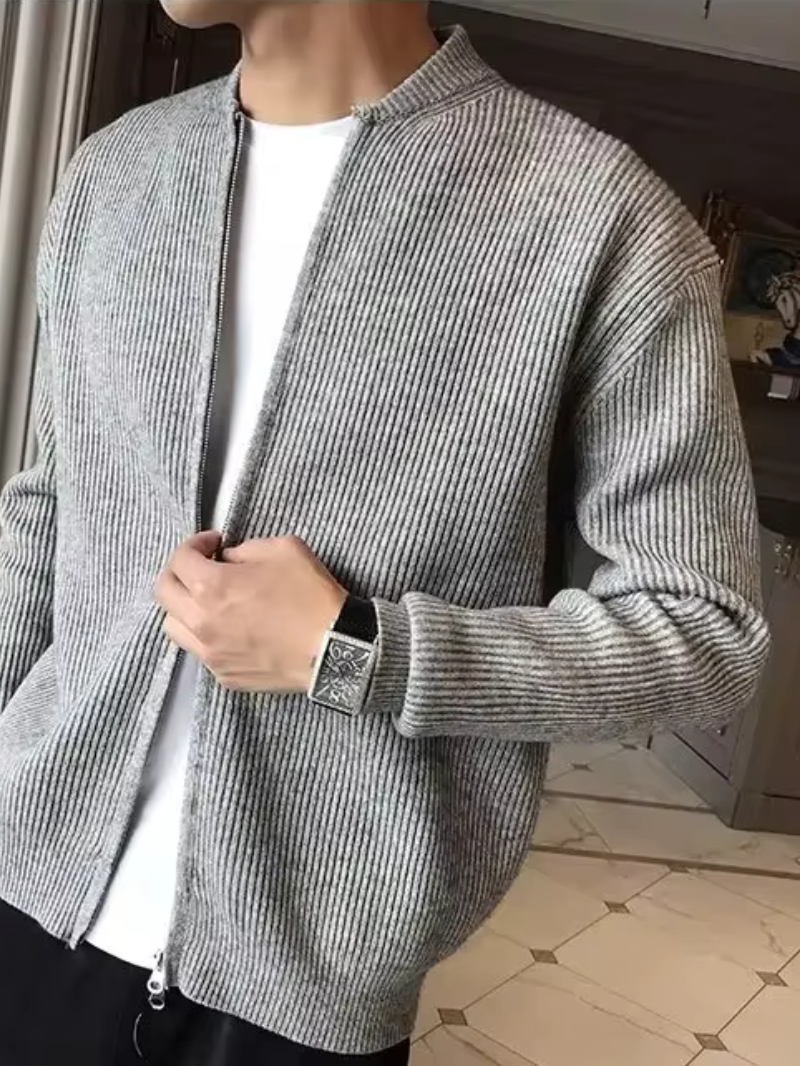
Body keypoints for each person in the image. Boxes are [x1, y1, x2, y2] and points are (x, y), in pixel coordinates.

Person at [0, 2, 771, 1064]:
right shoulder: (113, 174)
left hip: (306, 986)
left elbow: (703, 632)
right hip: (25, 891)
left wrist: (359, 647)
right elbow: (46, 511)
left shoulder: (596, 217)